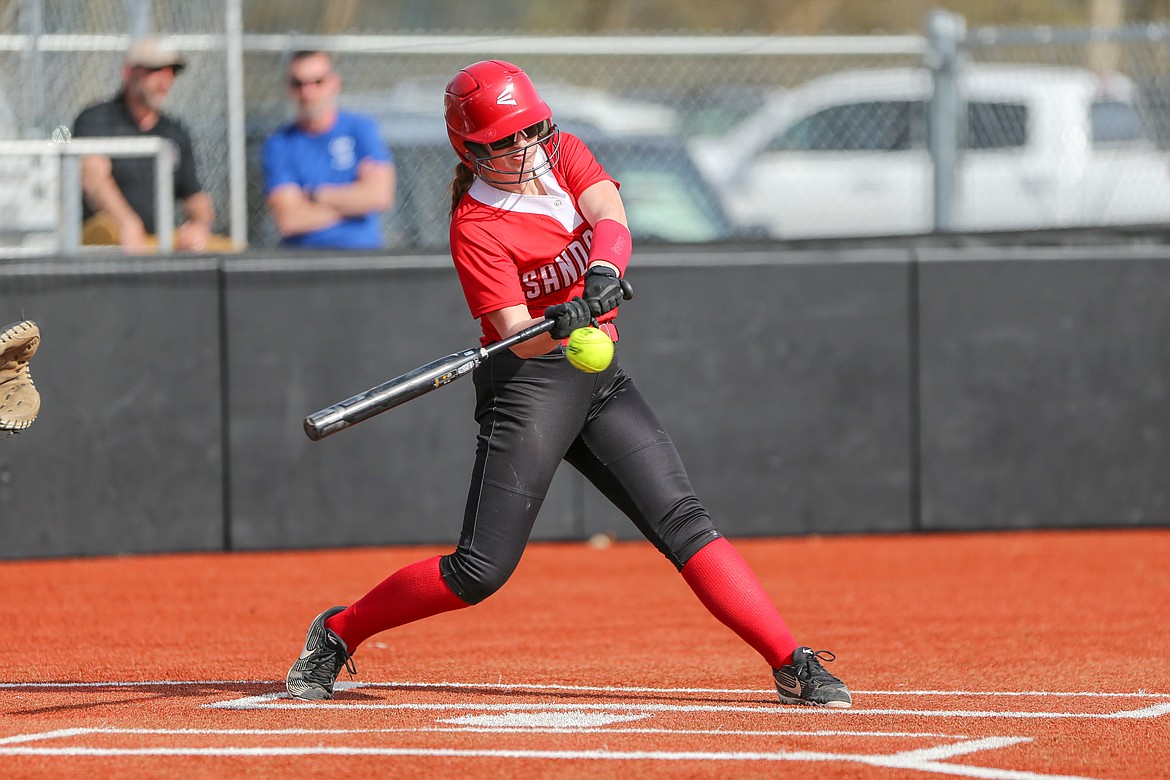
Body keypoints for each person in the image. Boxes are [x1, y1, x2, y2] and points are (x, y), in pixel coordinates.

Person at [286, 60, 852, 709]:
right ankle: (337, 632)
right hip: (528, 384)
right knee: (478, 572)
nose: (526, 148)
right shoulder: (476, 225)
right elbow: (517, 334)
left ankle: (790, 660)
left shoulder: (563, 154)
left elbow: (608, 209)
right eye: (506, 139)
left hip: (597, 375)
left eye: (532, 130)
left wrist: (601, 275)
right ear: (472, 148)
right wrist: (561, 321)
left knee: (685, 521)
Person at [72, 36, 234, 253]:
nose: (164, 80)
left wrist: (199, 226)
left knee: (233, 251)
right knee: (112, 232)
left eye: (171, 72)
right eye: (154, 70)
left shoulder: (174, 131)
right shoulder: (96, 119)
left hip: (156, 241)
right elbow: (93, 179)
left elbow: (196, 197)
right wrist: (126, 222)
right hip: (105, 237)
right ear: (129, 73)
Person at [261, 50, 396, 250]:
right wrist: (356, 204)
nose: (308, 93)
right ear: (289, 88)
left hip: (363, 257)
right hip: (304, 263)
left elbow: (380, 196)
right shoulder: (279, 144)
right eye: (299, 84)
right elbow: (289, 219)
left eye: (317, 82)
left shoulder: (361, 129)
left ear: (334, 83)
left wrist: (316, 196)